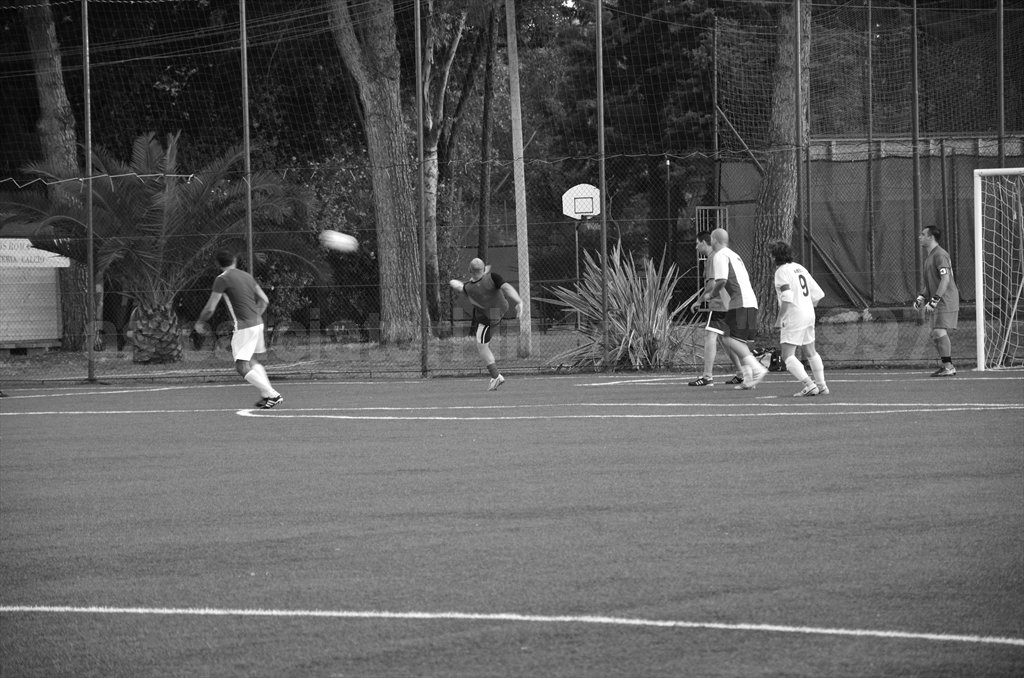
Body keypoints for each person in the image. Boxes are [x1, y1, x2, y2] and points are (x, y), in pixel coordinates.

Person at [194, 249, 283, 408]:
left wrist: (200, 321)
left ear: (218, 264)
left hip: (244, 326)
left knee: (241, 366)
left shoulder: (222, 279)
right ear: (234, 261)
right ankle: (266, 395)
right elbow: (264, 300)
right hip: (257, 323)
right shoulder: (247, 276)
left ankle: (272, 394)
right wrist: (255, 317)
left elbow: (210, 308)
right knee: (251, 360)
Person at [690, 228, 768, 390]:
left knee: (727, 339)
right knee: (736, 341)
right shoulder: (734, 255)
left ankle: (756, 369)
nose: (697, 246)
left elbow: (721, 281)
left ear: (713, 240)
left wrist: (710, 295)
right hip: (748, 301)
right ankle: (747, 378)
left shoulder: (719, 255)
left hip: (739, 302)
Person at [450, 258, 523, 391]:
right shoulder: (493, 277)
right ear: (483, 270)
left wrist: (453, 282)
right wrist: (519, 301)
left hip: (488, 320)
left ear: (470, 270)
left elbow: (460, 286)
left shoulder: (469, 288)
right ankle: (495, 377)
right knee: (483, 344)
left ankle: (496, 376)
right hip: (501, 309)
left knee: (482, 346)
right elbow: (506, 288)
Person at [769, 240, 829, 396]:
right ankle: (822, 385)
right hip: (809, 313)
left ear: (775, 257)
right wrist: (806, 306)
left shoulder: (781, 272)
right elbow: (818, 294)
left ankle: (809, 385)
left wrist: (780, 319)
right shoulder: (799, 268)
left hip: (794, 315)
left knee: (787, 355)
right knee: (810, 351)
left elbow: (787, 296)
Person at [688, 231, 744, 387]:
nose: (696, 247)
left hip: (720, 304)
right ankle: (741, 373)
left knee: (710, 336)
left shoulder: (714, 257)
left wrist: (699, 301)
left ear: (704, 242)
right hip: (730, 303)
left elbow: (712, 284)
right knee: (725, 339)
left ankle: (707, 376)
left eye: (697, 243)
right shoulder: (724, 255)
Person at [913, 226, 960, 376]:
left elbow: (945, 279)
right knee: (935, 334)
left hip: (945, 300)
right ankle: (946, 366)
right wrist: (922, 296)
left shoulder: (940, 254)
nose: (920, 237)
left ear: (931, 237)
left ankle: (949, 367)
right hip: (938, 300)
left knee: (939, 331)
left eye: (923, 234)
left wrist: (934, 300)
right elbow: (932, 282)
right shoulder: (930, 257)